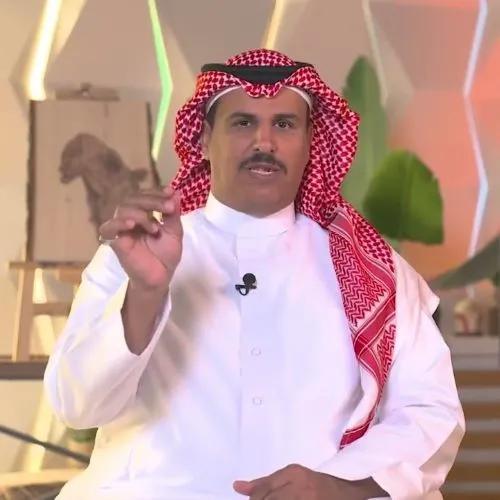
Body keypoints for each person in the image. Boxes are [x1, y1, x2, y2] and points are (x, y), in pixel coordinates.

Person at [44, 49, 465, 500]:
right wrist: (145, 295)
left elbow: (429, 410)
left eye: (284, 124)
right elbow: (75, 406)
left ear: (311, 142)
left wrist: (337, 484)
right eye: (243, 122)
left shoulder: (371, 268)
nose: (264, 142)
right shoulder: (134, 252)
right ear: (204, 139)